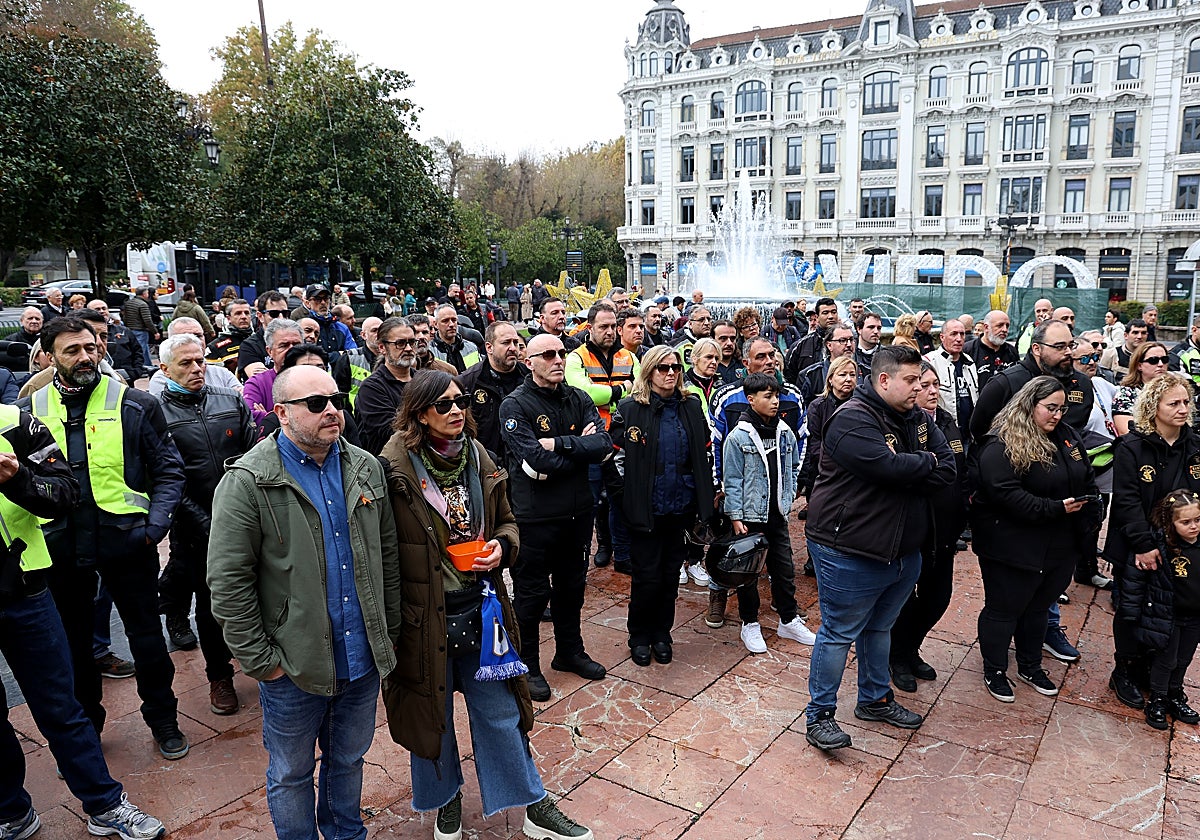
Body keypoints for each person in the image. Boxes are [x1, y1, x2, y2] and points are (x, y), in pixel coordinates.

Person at [208, 365, 402, 840]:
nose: (332, 410)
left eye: (335, 399)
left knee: (348, 760)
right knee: (292, 774)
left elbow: (388, 556)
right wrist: (262, 661)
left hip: (360, 660)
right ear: (283, 414)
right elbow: (228, 582)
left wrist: (388, 632)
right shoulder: (249, 481)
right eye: (316, 404)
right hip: (293, 666)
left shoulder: (364, 466)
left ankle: (345, 834)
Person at [19, 316, 188, 759]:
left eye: (91, 347)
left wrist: (155, 527)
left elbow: (169, 470)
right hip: (60, 548)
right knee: (74, 649)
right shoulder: (29, 410)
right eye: (72, 350)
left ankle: (164, 721)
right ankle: (88, 729)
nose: (85, 356)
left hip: (127, 543)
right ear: (48, 356)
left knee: (147, 640)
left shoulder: (135, 404)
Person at [0, 400, 168, 840]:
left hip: (24, 592)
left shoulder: (14, 422)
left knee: (61, 705)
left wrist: (17, 477)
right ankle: (11, 812)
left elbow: (64, 493)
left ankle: (105, 805)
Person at [803, 345, 955, 751]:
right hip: (850, 548)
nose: (919, 388)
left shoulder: (918, 419)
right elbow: (885, 469)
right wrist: (920, 465)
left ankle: (874, 699)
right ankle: (819, 716)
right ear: (883, 380)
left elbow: (949, 467)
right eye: (911, 381)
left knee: (880, 627)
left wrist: (910, 464)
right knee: (838, 632)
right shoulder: (852, 419)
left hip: (904, 550)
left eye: (922, 380)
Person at [498, 334, 612, 702]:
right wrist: (579, 449)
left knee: (571, 588)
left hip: (576, 513)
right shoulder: (515, 405)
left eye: (562, 353)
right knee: (531, 595)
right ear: (528, 361)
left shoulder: (577, 397)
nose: (558, 359)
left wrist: (560, 444)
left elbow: (604, 445)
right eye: (548, 354)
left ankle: (569, 652)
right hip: (535, 517)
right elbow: (534, 459)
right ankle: (527, 664)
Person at [972, 376, 1099, 703]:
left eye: (1062, 408)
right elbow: (1006, 494)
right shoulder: (1002, 442)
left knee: (1039, 607)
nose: (1057, 415)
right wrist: (1055, 508)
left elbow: (1085, 475)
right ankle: (995, 669)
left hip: (1058, 544)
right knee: (1005, 609)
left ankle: (1030, 664)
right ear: (1029, 405)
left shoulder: (1067, 436)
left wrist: (1089, 507)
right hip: (1011, 545)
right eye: (1050, 408)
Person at [155, 334, 255, 716]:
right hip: (196, 530)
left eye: (200, 360)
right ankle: (219, 675)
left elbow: (253, 455)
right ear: (165, 370)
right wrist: (208, 524)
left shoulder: (230, 402)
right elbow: (165, 479)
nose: (197, 368)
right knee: (212, 604)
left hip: (245, 517)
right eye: (186, 363)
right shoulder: (156, 412)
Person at [607, 346, 715, 664]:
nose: (670, 373)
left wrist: (703, 500)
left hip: (680, 508)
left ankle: (662, 633)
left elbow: (704, 454)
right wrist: (626, 499)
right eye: (663, 368)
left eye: (676, 367)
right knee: (646, 577)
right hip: (645, 509)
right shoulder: (630, 409)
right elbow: (614, 460)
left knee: (669, 576)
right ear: (649, 371)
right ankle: (639, 635)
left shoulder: (691, 407)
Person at [1105, 373, 1200, 709]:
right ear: (1153, 406)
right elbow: (1128, 501)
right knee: (1132, 609)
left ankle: (1155, 674)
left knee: (1169, 612)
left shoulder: (1195, 445)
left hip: (1182, 547)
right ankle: (1124, 671)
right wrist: (1144, 545)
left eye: (1186, 402)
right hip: (1139, 544)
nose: (1182, 409)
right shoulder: (1133, 446)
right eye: (1173, 403)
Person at [715, 372, 816, 654]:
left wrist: (788, 496)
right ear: (751, 399)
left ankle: (788, 618)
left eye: (776, 396)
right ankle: (750, 622)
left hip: (777, 514)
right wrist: (734, 515)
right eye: (767, 396)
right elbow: (732, 478)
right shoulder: (739, 436)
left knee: (783, 570)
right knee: (749, 572)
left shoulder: (784, 431)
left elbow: (793, 465)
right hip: (749, 516)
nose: (775, 402)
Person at [889, 361, 969, 693]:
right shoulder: (901, 427)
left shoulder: (948, 423)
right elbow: (909, 476)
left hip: (945, 532)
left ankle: (911, 648)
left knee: (938, 598)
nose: (932, 390)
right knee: (905, 599)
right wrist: (934, 470)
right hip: (913, 533)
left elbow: (956, 470)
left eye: (936, 384)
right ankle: (896, 657)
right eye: (924, 384)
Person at [566, 302, 639, 572]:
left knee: (620, 500)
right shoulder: (576, 358)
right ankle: (599, 549)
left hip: (621, 441)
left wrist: (605, 393)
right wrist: (622, 390)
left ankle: (621, 554)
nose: (609, 332)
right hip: (591, 440)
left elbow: (641, 391)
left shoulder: (629, 357)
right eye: (603, 327)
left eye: (612, 327)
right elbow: (583, 393)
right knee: (592, 501)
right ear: (590, 327)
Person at [1121, 490, 1200, 730]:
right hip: (1169, 615)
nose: (1194, 526)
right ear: (1170, 522)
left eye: (1197, 520)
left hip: (1195, 616)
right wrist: (1131, 611)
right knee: (1167, 659)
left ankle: (1175, 694)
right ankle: (1157, 697)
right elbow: (1135, 581)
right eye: (1185, 522)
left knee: (1184, 658)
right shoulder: (1159, 546)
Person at [969, 319, 1094, 447]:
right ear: (1037, 349)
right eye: (1059, 347)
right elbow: (980, 430)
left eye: (1071, 345)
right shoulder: (1005, 383)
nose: (1068, 352)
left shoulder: (1082, 384)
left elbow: (1076, 429)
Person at [797, 354, 860, 557]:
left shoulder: (861, 405)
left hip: (854, 470)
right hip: (822, 470)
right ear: (831, 378)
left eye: (852, 374)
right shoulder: (818, 406)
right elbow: (813, 441)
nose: (848, 379)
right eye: (842, 374)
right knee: (820, 515)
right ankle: (814, 556)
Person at [459, 321, 525, 464]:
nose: (513, 348)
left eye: (516, 342)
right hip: (486, 465)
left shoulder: (530, 378)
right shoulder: (468, 382)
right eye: (506, 343)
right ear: (489, 347)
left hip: (525, 464)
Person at [354, 317, 418, 456]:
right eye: (400, 343)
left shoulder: (424, 380)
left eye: (412, 342)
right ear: (382, 347)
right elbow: (392, 431)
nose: (408, 348)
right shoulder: (371, 389)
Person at [147, 317, 242, 397]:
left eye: (198, 336)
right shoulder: (160, 379)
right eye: (185, 337)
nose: (194, 341)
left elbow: (243, 401)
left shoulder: (222, 373)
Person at [242, 318, 304, 428]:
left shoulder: (316, 378)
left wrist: (269, 416)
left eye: (296, 344)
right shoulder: (257, 384)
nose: (291, 350)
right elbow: (251, 418)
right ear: (269, 351)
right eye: (284, 345)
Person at [924, 318, 978, 438]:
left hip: (969, 433)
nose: (959, 339)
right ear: (942, 337)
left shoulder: (969, 362)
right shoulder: (930, 361)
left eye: (962, 334)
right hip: (943, 432)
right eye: (953, 334)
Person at [1112, 341, 1170, 435]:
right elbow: (1125, 431)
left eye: (1164, 359)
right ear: (1139, 366)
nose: (1160, 364)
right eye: (1153, 360)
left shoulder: (1176, 389)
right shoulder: (1126, 393)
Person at [795, 322, 858, 405]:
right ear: (829, 345)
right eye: (842, 340)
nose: (849, 344)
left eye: (851, 340)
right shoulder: (810, 375)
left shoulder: (865, 372)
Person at [236, 291, 290, 380]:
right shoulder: (249, 346)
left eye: (285, 314)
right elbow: (262, 381)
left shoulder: (297, 341)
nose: (281, 318)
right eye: (274, 314)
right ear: (260, 316)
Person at [785, 297, 838, 384]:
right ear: (817, 317)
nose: (831, 316)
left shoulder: (848, 343)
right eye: (825, 313)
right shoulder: (800, 345)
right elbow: (789, 375)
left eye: (834, 312)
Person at [299, 284, 357, 361]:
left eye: (326, 298)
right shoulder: (303, 327)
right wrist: (339, 355)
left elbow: (353, 355)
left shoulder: (342, 328)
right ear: (307, 303)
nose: (323, 302)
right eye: (317, 299)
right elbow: (307, 358)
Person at [963, 310, 1018, 390]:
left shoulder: (1011, 351)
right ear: (986, 327)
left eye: (1007, 326)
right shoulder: (968, 350)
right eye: (1000, 325)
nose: (1005, 330)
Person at [431, 304, 481, 373]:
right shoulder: (429, 352)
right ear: (436, 324)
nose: (451, 324)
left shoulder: (472, 348)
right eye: (445, 321)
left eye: (454, 320)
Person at [121, 288, 158, 365]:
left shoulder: (128, 303)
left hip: (130, 329)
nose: (148, 295)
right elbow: (147, 320)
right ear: (144, 294)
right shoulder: (143, 304)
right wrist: (155, 331)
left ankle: (148, 364)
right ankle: (142, 366)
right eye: (147, 293)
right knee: (142, 349)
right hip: (141, 330)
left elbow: (124, 317)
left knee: (143, 348)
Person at [712, 319, 741, 383]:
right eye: (723, 339)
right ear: (712, 340)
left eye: (732, 339)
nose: (729, 343)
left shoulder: (744, 365)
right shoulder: (706, 366)